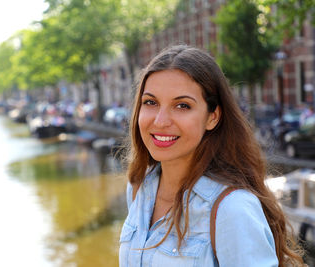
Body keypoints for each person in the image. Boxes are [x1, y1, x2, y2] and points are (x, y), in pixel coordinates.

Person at [119, 45, 304, 267]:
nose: (160, 121)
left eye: (182, 105)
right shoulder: (139, 187)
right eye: (150, 102)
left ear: (212, 117)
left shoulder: (232, 209)